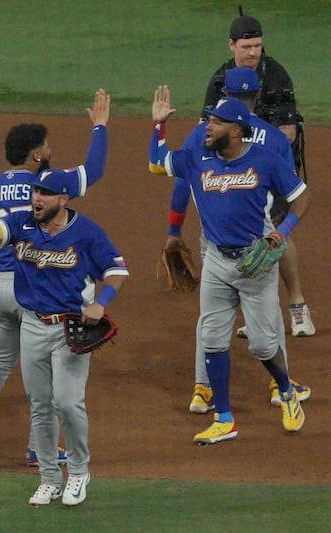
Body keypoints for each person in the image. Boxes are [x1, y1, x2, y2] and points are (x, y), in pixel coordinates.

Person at [0, 89, 111, 467]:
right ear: (37, 155)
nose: (50, 150)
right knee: (48, 368)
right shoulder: (48, 186)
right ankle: (38, 448)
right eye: (47, 146)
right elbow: (94, 169)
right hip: (32, 289)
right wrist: (100, 127)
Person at [150, 87, 309, 444]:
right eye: (209, 119)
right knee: (211, 339)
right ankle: (224, 417)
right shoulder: (196, 158)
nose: (207, 126)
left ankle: (286, 390)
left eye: (216, 122)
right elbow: (158, 160)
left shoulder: (265, 160)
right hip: (217, 262)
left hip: (256, 265)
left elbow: (302, 198)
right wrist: (159, 125)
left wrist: (282, 232)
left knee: (263, 346)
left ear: (236, 131)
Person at [0, 167, 129, 506]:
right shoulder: (21, 223)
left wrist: (101, 302)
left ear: (63, 199)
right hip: (32, 324)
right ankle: (49, 478)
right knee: (40, 405)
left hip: (70, 327)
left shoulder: (86, 232)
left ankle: (79, 471)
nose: (36, 198)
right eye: (35, 192)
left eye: (45, 193)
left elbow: (116, 270)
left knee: (67, 402)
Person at [202, 12, 314, 337]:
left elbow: (288, 131)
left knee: (276, 234)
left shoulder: (276, 74)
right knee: (238, 234)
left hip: (274, 162)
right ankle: (255, 313)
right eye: (247, 47)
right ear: (232, 45)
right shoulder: (220, 78)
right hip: (232, 163)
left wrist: (251, 146)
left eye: (258, 46)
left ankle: (298, 306)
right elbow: (206, 128)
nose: (253, 53)